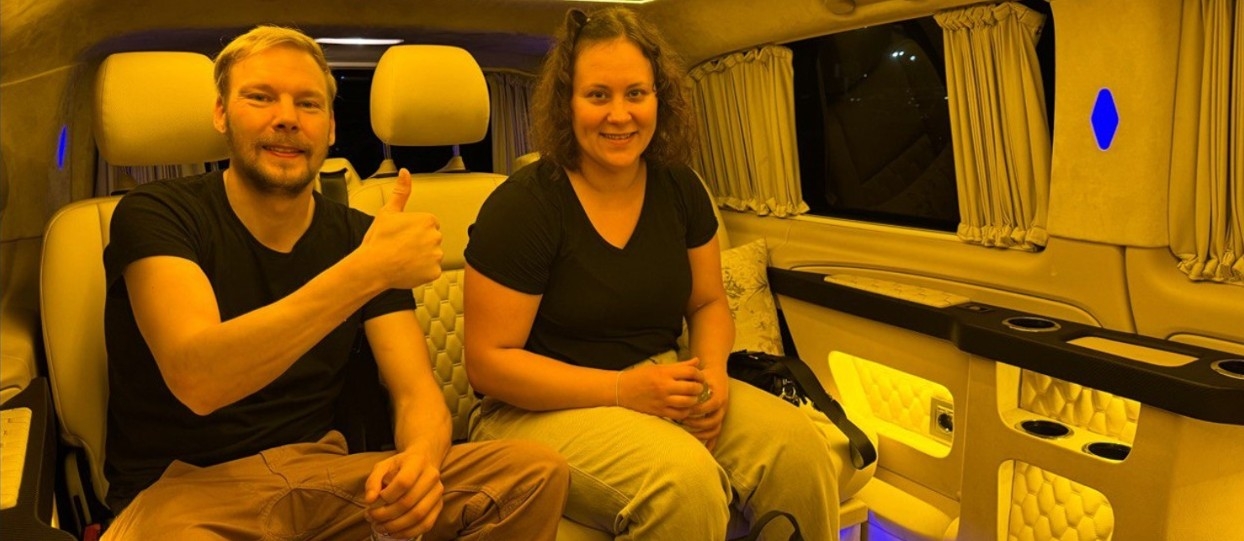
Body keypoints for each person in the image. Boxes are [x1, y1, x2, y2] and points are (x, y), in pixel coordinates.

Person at [101, 25, 568, 541]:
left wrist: (420, 463)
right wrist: (366, 271)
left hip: (325, 478)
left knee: (535, 473)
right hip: (187, 493)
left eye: (308, 104)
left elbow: (416, 393)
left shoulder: (360, 237)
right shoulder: (157, 214)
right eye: (260, 98)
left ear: (329, 129)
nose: (286, 118)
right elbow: (199, 379)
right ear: (221, 114)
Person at [463, 7, 840, 541]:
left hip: (660, 379)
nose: (620, 115)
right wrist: (623, 389)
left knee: (799, 448)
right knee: (682, 482)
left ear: (659, 98)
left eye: (636, 93)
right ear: (567, 103)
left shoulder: (680, 188)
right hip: (530, 411)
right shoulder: (524, 207)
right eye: (598, 95)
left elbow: (708, 303)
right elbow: (488, 364)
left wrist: (712, 380)